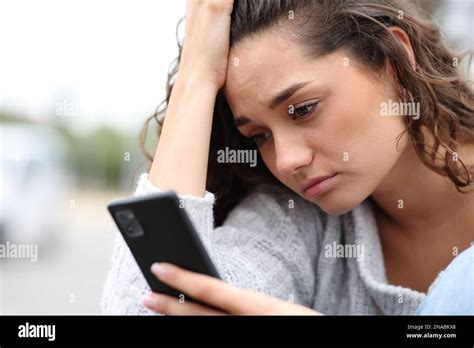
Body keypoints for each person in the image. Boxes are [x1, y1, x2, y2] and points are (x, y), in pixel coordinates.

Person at [101, 0, 474, 315]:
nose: (285, 161)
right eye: (259, 136)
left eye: (303, 109)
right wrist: (195, 76)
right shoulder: (299, 220)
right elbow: (147, 306)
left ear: (393, 60)